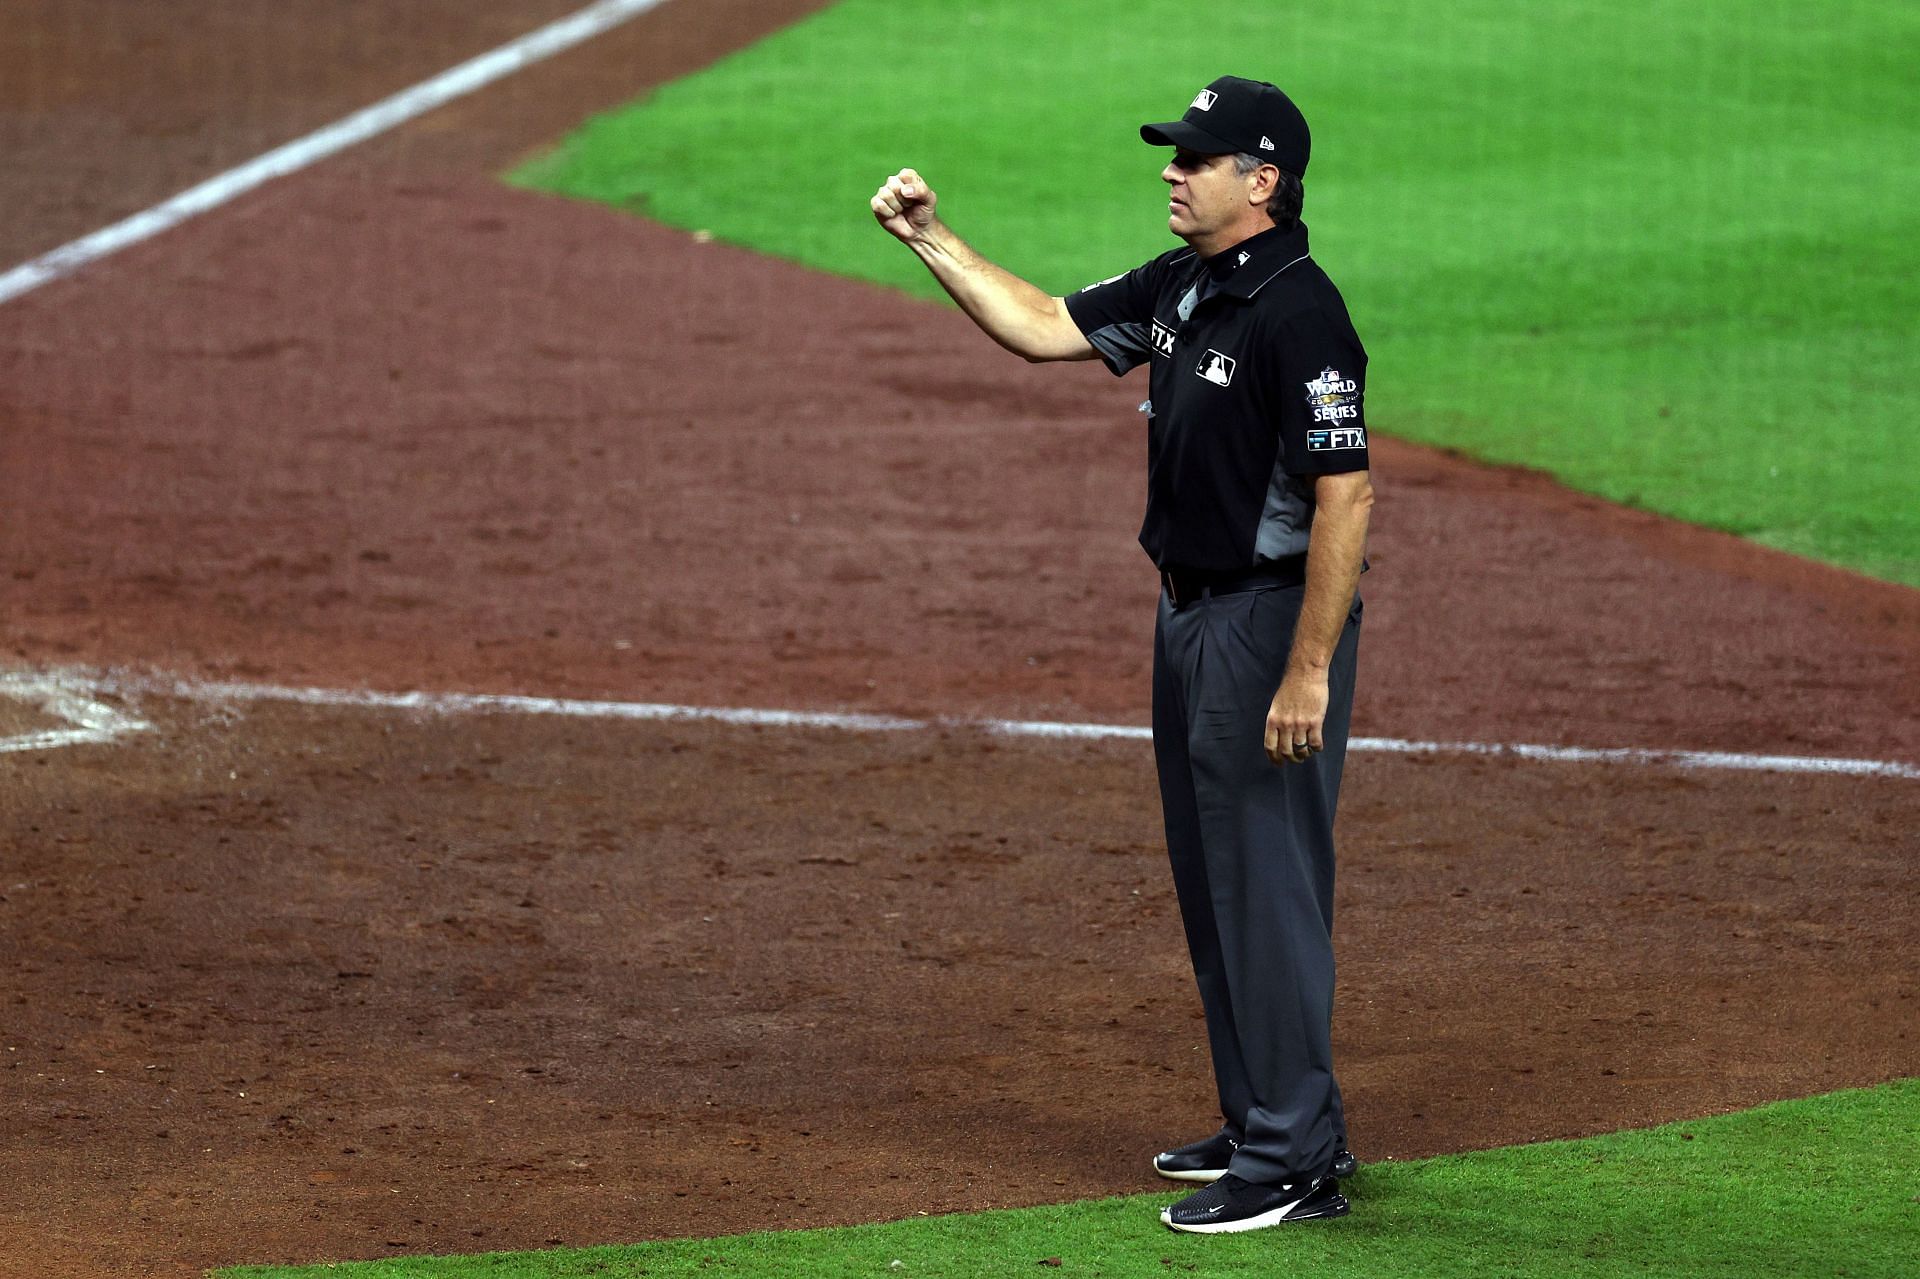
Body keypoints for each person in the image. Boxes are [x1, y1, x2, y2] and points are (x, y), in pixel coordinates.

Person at [870, 74, 1372, 1234]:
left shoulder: (1301, 312)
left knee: (1270, 890)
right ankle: (1259, 1120)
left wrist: (1308, 669)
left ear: (1264, 180)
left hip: (1264, 625)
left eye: (1194, 158)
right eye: (1173, 154)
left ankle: (1295, 1158)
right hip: (1188, 615)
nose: (1170, 171)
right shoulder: (1188, 288)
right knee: (1215, 885)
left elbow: (1346, 494)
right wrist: (929, 238)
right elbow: (1046, 326)